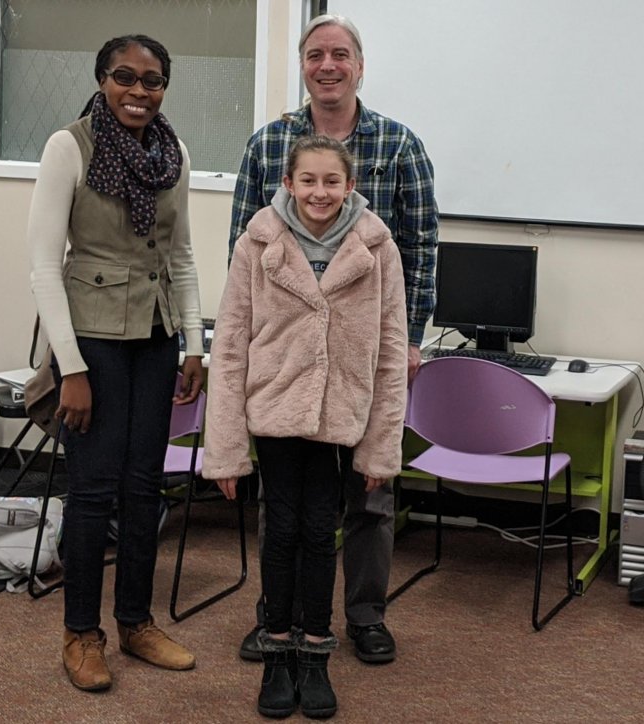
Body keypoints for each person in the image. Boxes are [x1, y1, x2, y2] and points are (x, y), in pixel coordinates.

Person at [229, 13, 438, 664]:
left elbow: (421, 249)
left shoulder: (399, 145)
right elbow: (242, 245)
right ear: (302, 65)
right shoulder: (268, 145)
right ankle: (281, 612)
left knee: (370, 493)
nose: (328, 65)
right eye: (316, 54)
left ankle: (366, 616)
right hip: (286, 362)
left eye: (341, 54)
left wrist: (410, 340)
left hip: (362, 356)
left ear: (359, 66)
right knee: (285, 498)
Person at [204, 135, 408, 719]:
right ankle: (277, 651)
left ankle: (315, 651)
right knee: (280, 531)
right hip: (274, 410)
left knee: (321, 532)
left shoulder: (377, 247)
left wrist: (380, 448)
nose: (321, 192)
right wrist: (226, 449)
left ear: (351, 185)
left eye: (332, 181)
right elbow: (231, 345)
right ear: (289, 183)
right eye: (309, 180)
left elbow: (391, 351)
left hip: (340, 416)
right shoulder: (258, 241)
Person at [26, 34, 204, 692]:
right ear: (102, 79)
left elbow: (180, 255)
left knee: (144, 488)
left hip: (156, 337)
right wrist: (70, 368)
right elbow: (44, 266)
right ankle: (80, 633)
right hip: (91, 341)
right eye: (124, 77)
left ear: (164, 87)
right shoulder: (69, 147)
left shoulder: (174, 152)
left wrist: (194, 343)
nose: (138, 91)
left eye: (152, 80)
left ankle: (135, 621)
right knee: (93, 492)